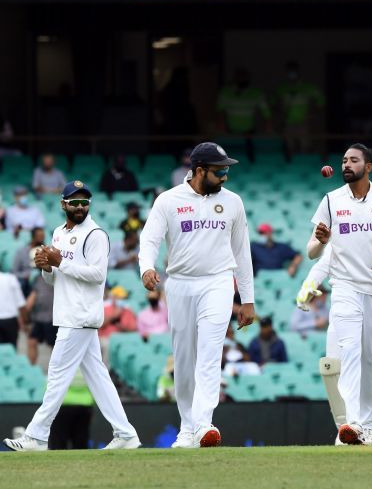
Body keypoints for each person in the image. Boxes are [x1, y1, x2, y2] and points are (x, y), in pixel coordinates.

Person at [2, 180, 139, 451]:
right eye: (74, 202)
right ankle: (125, 434)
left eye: (84, 202)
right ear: (62, 204)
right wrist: (46, 268)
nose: (80, 207)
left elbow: (98, 274)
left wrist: (60, 262)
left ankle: (37, 436)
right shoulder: (58, 233)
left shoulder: (96, 234)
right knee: (98, 378)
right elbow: (55, 280)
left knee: (57, 374)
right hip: (68, 312)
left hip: (80, 315)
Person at [138, 142, 255, 448]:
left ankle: (204, 424)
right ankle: (187, 428)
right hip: (179, 285)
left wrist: (248, 299)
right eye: (220, 171)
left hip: (218, 283)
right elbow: (149, 239)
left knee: (209, 352)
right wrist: (146, 268)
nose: (226, 176)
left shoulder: (233, 202)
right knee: (185, 358)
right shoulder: (168, 200)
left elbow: (242, 253)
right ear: (200, 170)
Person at [306, 142, 372, 445]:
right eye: (343, 160)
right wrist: (322, 241)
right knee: (350, 349)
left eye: (353, 160)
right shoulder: (330, 200)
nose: (346, 165)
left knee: (371, 360)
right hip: (345, 287)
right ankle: (351, 422)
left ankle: (366, 425)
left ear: (368, 167)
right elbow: (312, 252)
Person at [299, 234, 372, 446]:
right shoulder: (346, 230)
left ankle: (370, 428)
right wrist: (307, 287)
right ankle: (347, 428)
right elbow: (324, 263)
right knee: (335, 365)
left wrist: (368, 262)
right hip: (345, 305)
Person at [273, 61, 325, 154]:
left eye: (294, 70)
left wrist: (313, 114)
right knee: (289, 147)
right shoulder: (282, 88)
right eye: (290, 71)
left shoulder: (308, 87)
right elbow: (273, 102)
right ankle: (291, 167)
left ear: (298, 71)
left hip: (304, 122)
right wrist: (279, 114)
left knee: (305, 147)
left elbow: (321, 100)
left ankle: (304, 166)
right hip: (287, 123)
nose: (292, 73)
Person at [216, 68, 271, 135]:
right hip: (230, 131)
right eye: (239, 76)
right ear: (234, 78)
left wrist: (268, 130)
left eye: (244, 77)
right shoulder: (225, 92)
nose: (242, 79)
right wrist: (221, 129)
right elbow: (220, 112)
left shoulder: (257, 93)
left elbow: (267, 114)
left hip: (249, 132)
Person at [48, 371, 94, 450]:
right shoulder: (89, 363)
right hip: (84, 405)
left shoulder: (63, 361)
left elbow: (52, 383)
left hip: (62, 404)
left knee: (58, 444)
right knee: (81, 443)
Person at [26, 274, 56, 370]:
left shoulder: (58, 275)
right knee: (32, 341)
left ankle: (56, 369)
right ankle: (31, 368)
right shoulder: (37, 278)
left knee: (55, 346)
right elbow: (33, 296)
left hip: (53, 317)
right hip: (38, 317)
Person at [12, 227, 45, 294]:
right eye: (39, 236)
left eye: (42, 237)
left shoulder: (45, 251)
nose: (41, 239)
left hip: (42, 280)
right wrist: (26, 276)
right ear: (33, 237)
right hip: (25, 281)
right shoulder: (22, 252)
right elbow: (14, 273)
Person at [0, 267, 26, 346]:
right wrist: (24, 322)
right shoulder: (11, 278)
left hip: (10, 320)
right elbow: (21, 303)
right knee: (11, 350)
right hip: (10, 321)